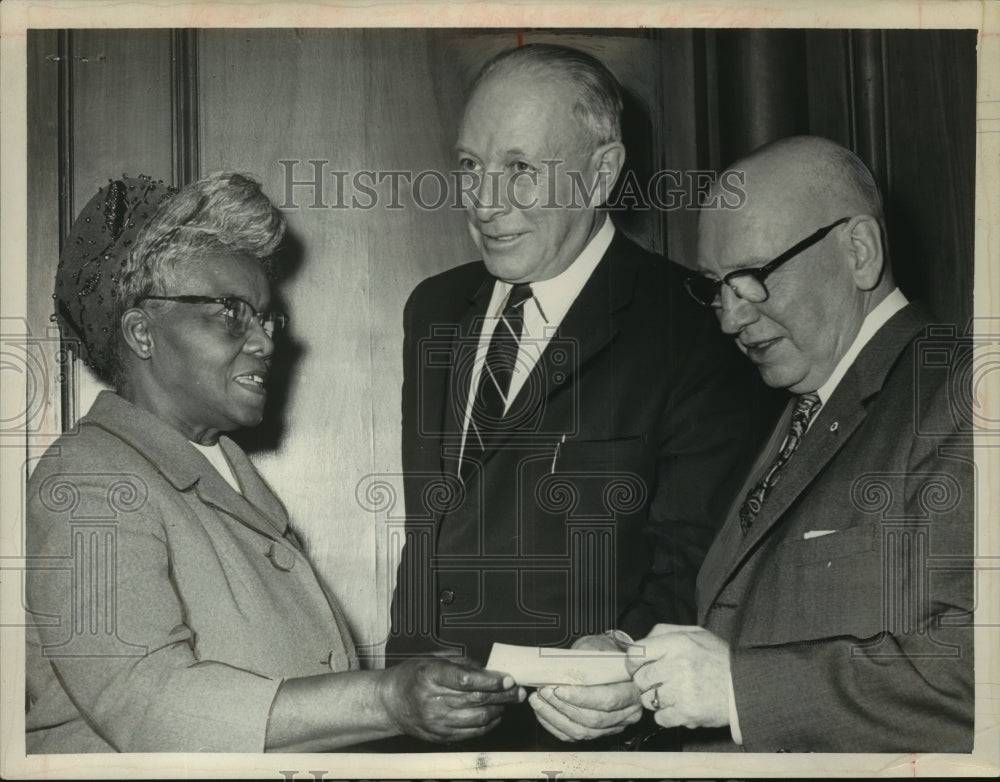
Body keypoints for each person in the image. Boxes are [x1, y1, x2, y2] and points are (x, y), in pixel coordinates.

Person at [25, 172, 522, 753]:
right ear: (141, 332)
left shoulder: (223, 473)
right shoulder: (89, 479)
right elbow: (149, 702)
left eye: (265, 318)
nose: (265, 341)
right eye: (231, 312)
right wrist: (386, 698)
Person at [385, 43, 776, 749]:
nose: (485, 202)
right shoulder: (434, 309)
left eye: (521, 170)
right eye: (471, 167)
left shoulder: (692, 323)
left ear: (602, 173)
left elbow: (706, 557)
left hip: (588, 743)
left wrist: (628, 653)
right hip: (421, 733)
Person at [622, 136, 974, 752]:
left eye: (752, 277)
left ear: (859, 251)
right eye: (717, 287)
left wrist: (738, 690)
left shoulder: (965, 392)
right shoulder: (794, 409)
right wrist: (631, 673)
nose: (731, 318)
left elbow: (981, 673)